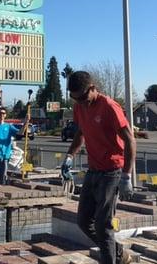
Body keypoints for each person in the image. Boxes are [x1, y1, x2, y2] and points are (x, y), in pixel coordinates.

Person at [61, 71, 136, 264]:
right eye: (75, 99)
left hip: (112, 171)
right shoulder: (80, 107)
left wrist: (126, 175)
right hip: (93, 170)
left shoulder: (109, 107)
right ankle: (119, 254)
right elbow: (80, 133)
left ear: (93, 88)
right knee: (84, 221)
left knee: (103, 225)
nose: (81, 102)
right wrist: (70, 156)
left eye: (84, 97)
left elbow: (130, 140)